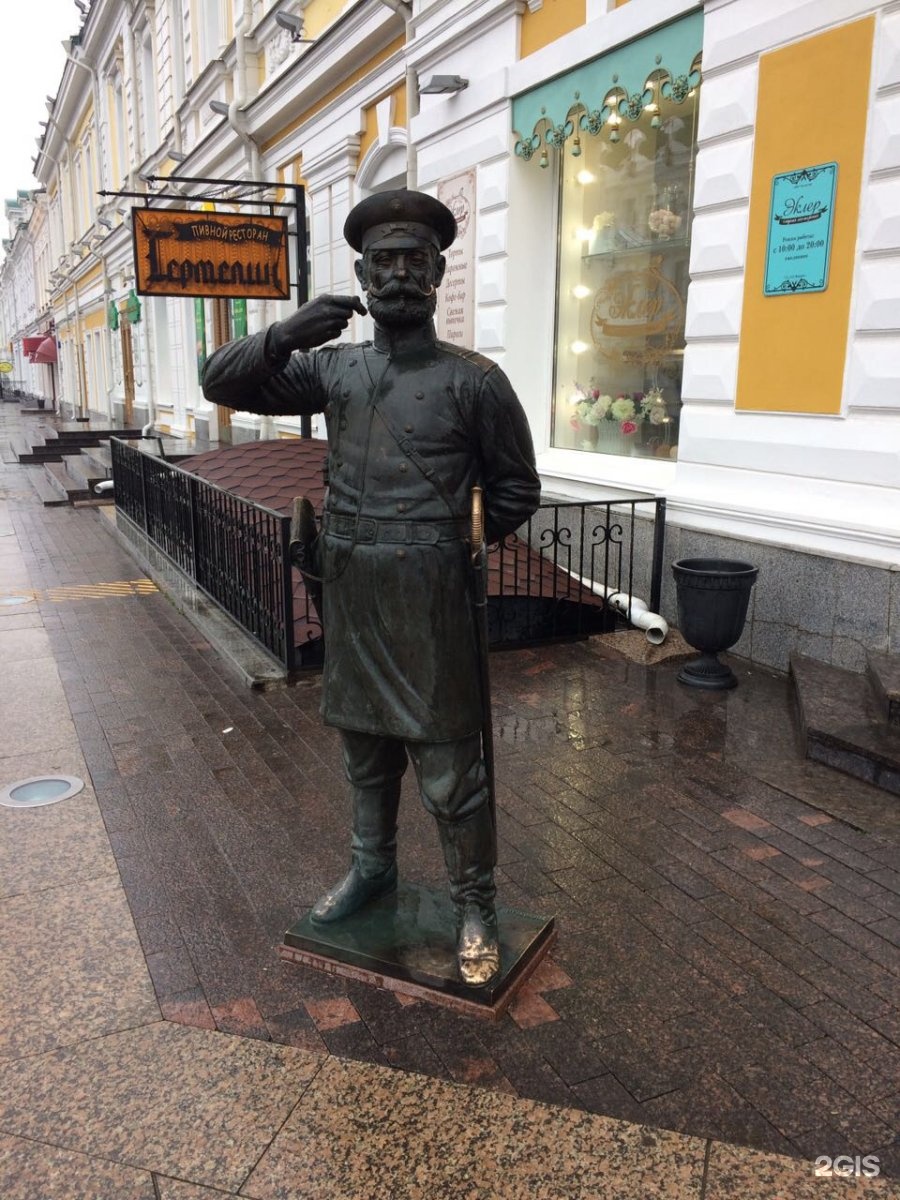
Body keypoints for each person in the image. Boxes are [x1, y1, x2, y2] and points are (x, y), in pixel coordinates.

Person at [202, 189, 540, 986]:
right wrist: (285, 334)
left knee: (451, 771)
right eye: (381, 263)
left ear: (436, 273)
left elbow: (517, 488)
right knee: (363, 750)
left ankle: (474, 902)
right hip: (352, 588)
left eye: (411, 262)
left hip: (430, 597)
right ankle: (371, 870)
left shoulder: (475, 381)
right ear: (360, 272)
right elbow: (221, 381)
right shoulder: (334, 370)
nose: (395, 276)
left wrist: (452, 550)